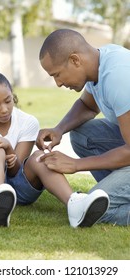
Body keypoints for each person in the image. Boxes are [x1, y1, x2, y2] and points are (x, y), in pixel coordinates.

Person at [0, 70, 109, 228]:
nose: (4, 109)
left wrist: (9, 150)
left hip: (18, 190)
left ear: (12, 95)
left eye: (8, 101)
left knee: (39, 156)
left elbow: (16, 171)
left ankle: (75, 204)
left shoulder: (27, 122)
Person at [36, 28, 130, 226]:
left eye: (58, 74)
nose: (58, 83)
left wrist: (76, 165)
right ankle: (116, 189)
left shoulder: (118, 77)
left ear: (75, 60)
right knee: (81, 135)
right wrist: (59, 129)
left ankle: (112, 195)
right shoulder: (99, 64)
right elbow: (88, 106)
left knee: (93, 209)